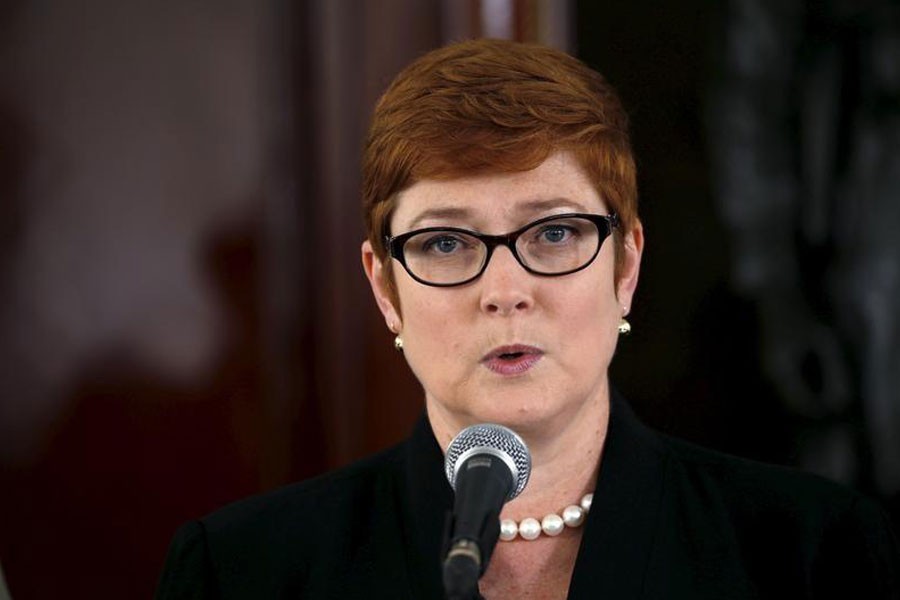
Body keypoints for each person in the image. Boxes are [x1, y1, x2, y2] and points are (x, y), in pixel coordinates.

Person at [155, 38, 899, 599]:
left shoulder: (816, 551)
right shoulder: (242, 570)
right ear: (385, 289)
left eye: (552, 234)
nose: (505, 290)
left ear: (626, 267)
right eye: (445, 242)